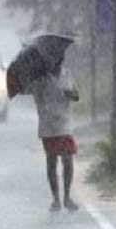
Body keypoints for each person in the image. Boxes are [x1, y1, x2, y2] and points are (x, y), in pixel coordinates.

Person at [26, 63, 80, 212]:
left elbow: (76, 96)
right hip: (48, 125)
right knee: (52, 161)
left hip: (64, 124)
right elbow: (32, 93)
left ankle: (67, 197)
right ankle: (55, 198)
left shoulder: (66, 74)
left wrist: (70, 93)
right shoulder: (39, 78)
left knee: (68, 160)